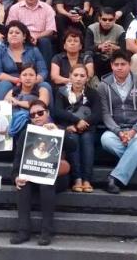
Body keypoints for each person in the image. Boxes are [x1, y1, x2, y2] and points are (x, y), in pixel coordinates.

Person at [10, 100, 73, 246]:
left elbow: (73, 147)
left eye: (40, 113)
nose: (37, 117)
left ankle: (46, 232)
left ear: (47, 113)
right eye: (33, 115)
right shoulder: (26, 133)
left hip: (56, 177)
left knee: (46, 184)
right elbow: (18, 158)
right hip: (33, 174)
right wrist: (16, 177)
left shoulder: (58, 129)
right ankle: (23, 231)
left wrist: (58, 132)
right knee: (23, 185)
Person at [98, 50, 137, 194]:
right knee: (105, 139)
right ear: (111, 66)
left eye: (123, 64)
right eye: (116, 64)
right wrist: (118, 132)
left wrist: (134, 131)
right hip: (116, 130)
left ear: (129, 65)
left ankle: (115, 178)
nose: (119, 67)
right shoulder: (103, 86)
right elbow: (105, 114)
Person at [52, 64, 100, 193]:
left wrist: (84, 123)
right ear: (70, 76)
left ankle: (87, 179)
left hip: (87, 128)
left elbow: (97, 114)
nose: (78, 78)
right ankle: (77, 179)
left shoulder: (92, 93)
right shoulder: (61, 92)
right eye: (76, 75)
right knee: (72, 138)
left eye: (82, 76)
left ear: (87, 78)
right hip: (69, 127)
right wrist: (76, 121)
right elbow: (58, 112)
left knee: (87, 139)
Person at [0, 21, 52, 109]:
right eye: (11, 33)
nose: (13, 35)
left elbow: (43, 71)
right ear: (7, 36)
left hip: (31, 82)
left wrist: (33, 81)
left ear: (24, 36)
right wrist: (17, 80)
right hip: (10, 81)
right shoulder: (0, 50)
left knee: (45, 85)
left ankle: (48, 115)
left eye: (17, 33)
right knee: (4, 84)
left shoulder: (33, 50)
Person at [6, 0, 57, 67]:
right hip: (21, 37)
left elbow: (50, 30)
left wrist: (36, 36)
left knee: (45, 42)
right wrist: (25, 37)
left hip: (40, 38)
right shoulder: (15, 8)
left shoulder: (47, 8)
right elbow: (11, 27)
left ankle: (45, 73)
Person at [84, 7, 124, 79]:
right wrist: (100, 47)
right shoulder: (91, 28)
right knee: (88, 54)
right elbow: (87, 48)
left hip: (114, 58)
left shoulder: (120, 29)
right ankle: (90, 79)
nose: (107, 22)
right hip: (96, 58)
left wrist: (114, 48)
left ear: (115, 20)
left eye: (110, 20)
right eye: (104, 19)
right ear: (99, 19)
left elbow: (125, 49)